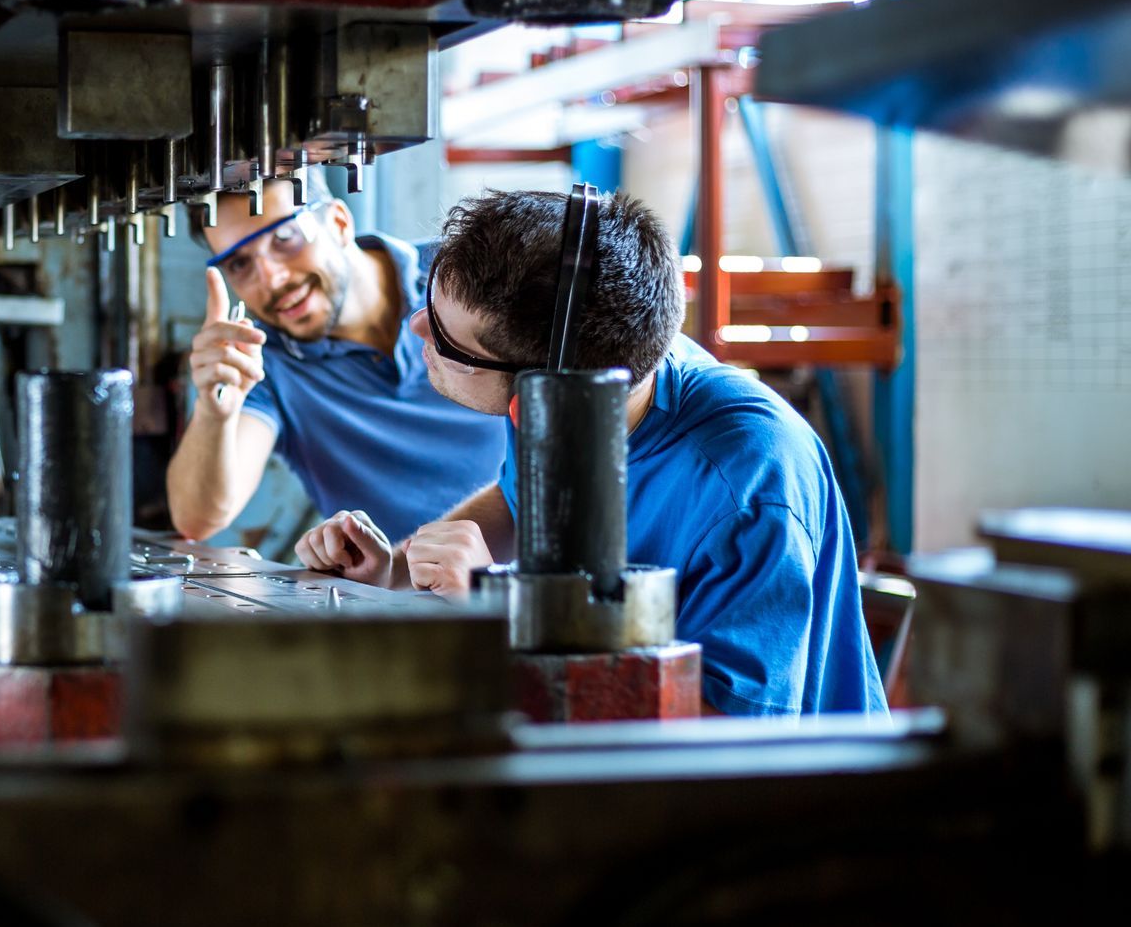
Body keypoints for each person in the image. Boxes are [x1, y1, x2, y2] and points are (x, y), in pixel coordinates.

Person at [294, 188, 885, 716]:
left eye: (448, 337)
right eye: (430, 301)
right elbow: (521, 502)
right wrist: (393, 572)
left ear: (547, 383)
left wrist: (505, 612)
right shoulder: (594, 376)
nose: (418, 326)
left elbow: (718, 735)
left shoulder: (747, 486)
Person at [166, 169, 507, 544]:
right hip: (400, 595)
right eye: (240, 264)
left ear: (339, 223)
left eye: (285, 238)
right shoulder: (265, 363)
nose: (272, 279)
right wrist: (215, 411)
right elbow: (198, 519)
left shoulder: (459, 274)